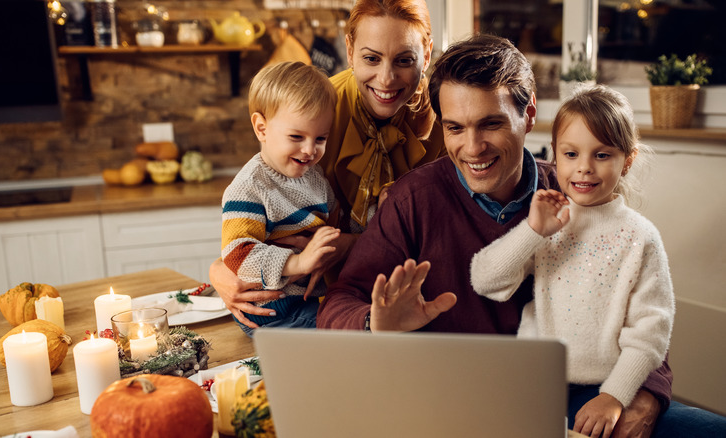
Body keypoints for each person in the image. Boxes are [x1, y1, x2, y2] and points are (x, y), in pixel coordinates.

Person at [318, 34, 726, 437]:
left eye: (491, 124)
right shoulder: (412, 200)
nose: (472, 147)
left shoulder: (574, 192)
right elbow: (339, 303)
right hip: (457, 404)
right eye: (455, 128)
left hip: (576, 399)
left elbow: (645, 317)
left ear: (528, 115)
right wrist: (377, 323)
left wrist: (644, 398)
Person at [209, 0, 446, 329]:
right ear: (350, 50)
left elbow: (447, 234)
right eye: (371, 58)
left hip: (411, 293)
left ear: (427, 53)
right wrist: (219, 270)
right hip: (320, 298)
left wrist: (350, 243)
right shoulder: (317, 110)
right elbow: (259, 214)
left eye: (405, 60)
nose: (387, 78)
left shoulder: (449, 122)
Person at [469, 85, 674, 437]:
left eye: (602, 155)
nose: (584, 169)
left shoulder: (641, 237)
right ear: (556, 155)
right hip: (533, 386)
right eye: (571, 154)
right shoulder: (547, 221)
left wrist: (614, 396)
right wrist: (533, 231)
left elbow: (650, 335)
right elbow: (485, 280)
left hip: (603, 389)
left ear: (628, 161)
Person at [220, 61, 341, 336]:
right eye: (296, 136)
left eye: (321, 138)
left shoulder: (315, 178)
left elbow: (337, 222)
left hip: (308, 300)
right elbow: (238, 254)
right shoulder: (249, 187)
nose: (310, 150)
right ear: (261, 129)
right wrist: (299, 262)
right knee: (343, 335)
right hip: (271, 311)